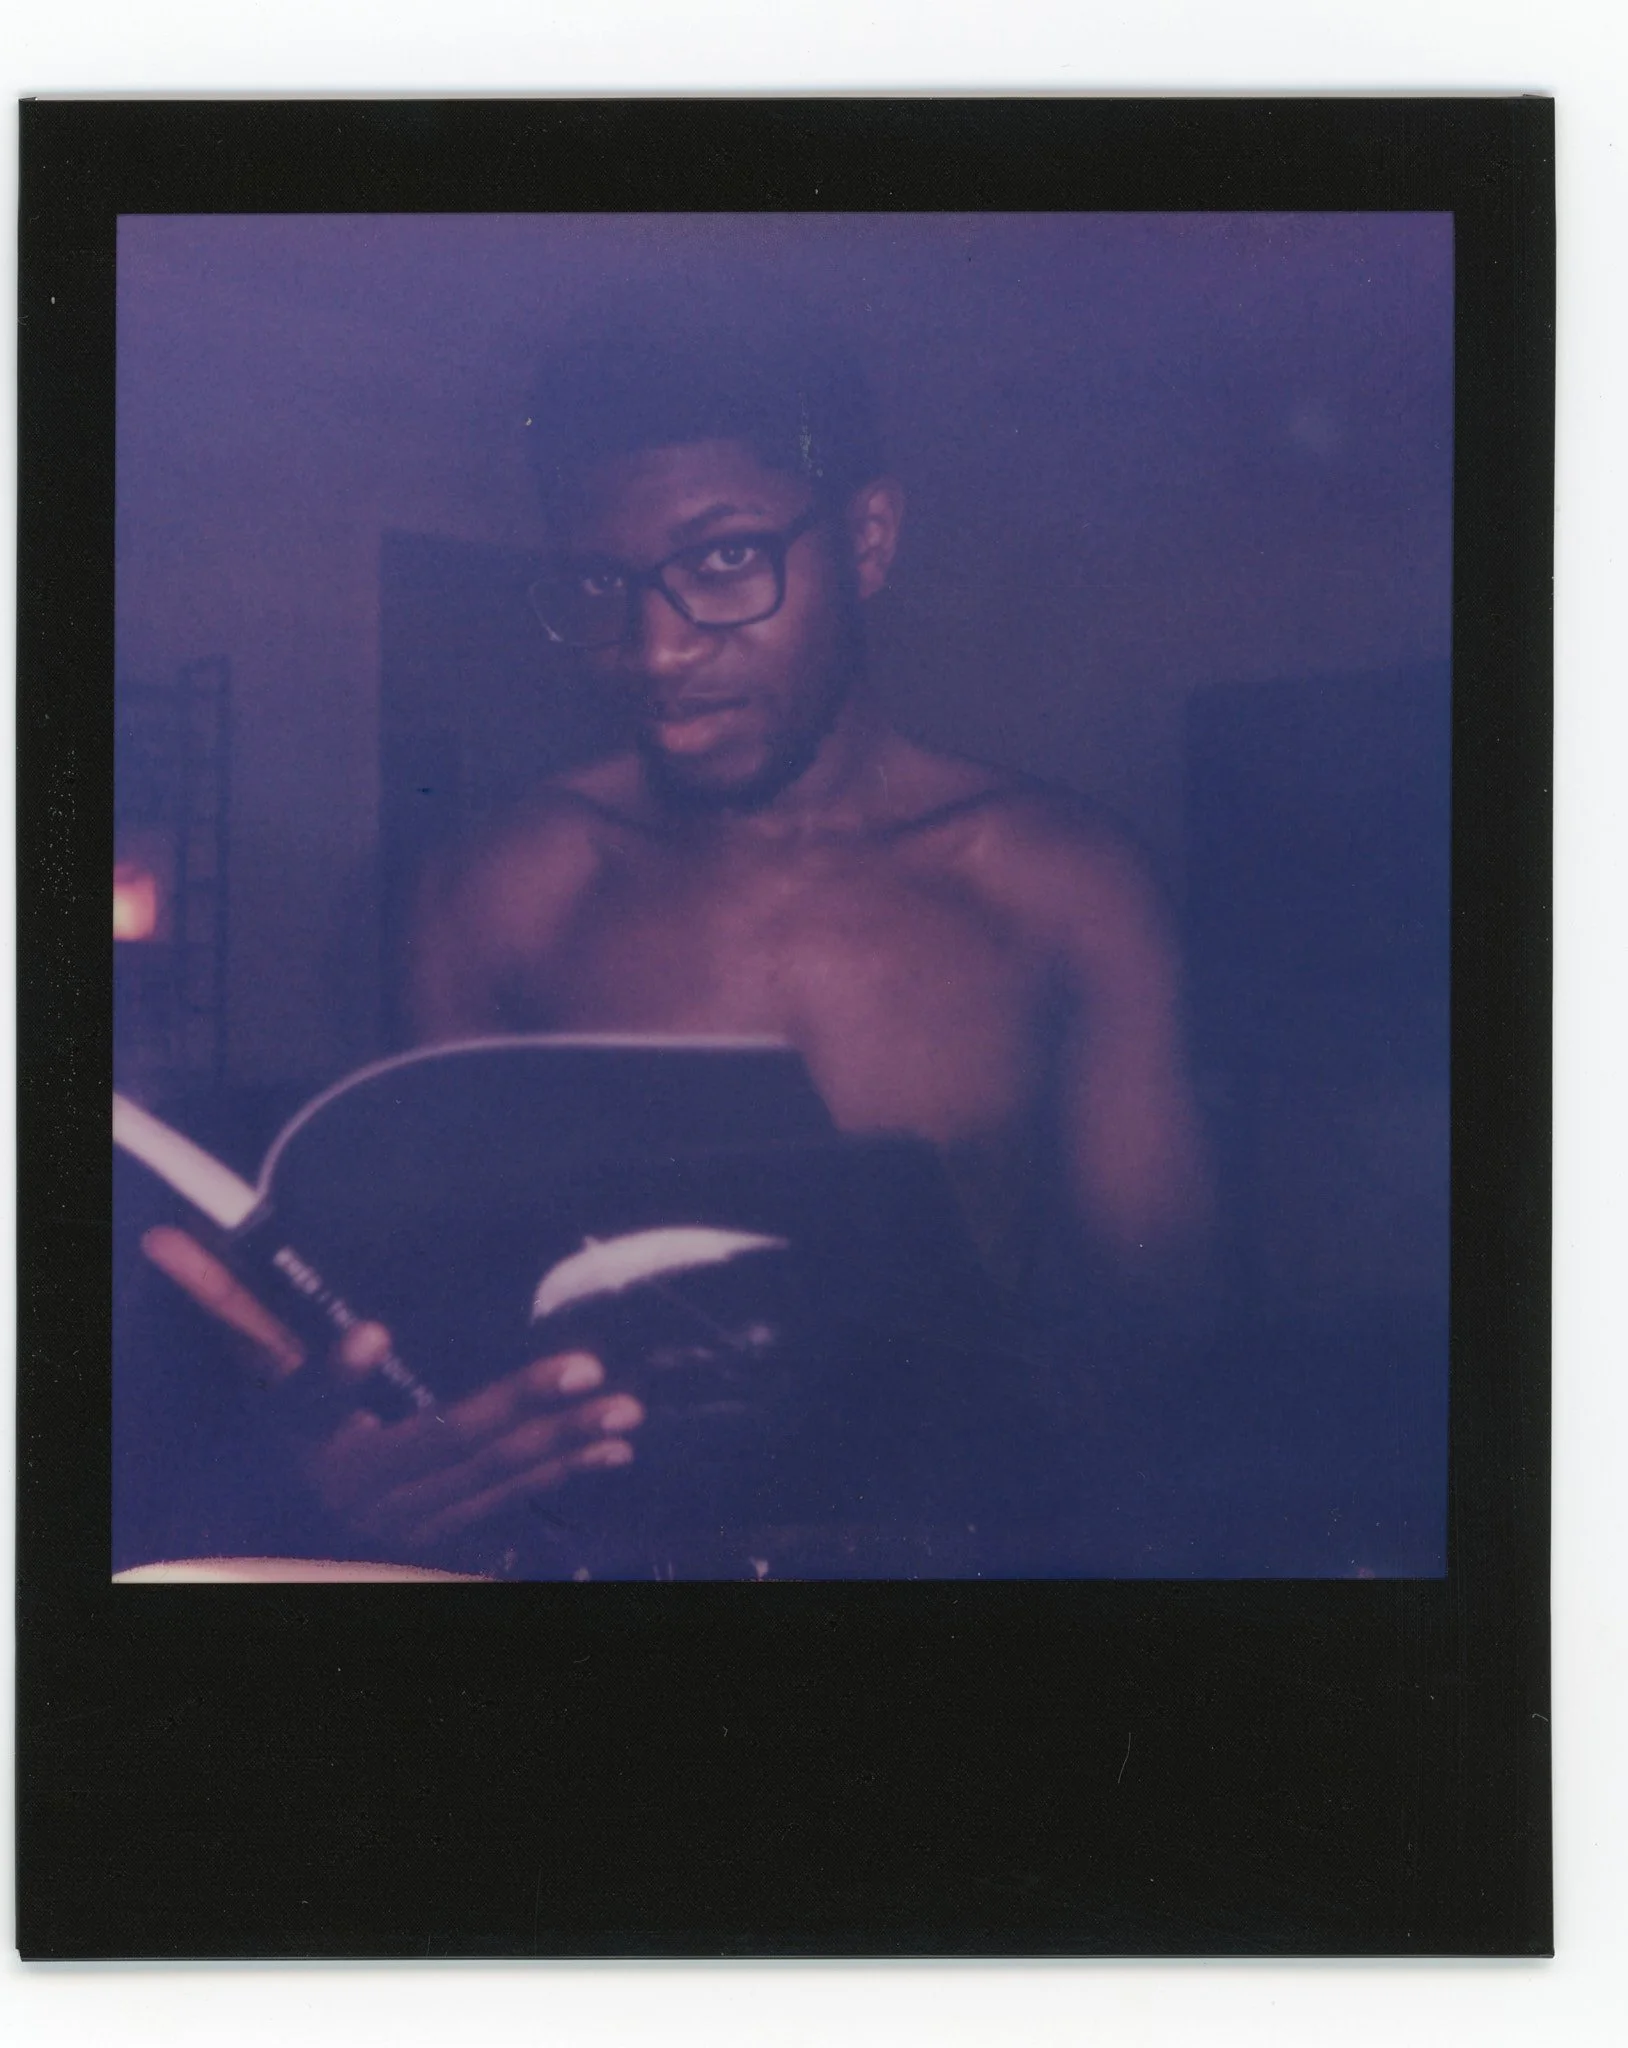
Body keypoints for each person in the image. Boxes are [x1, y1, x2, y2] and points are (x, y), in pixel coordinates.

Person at [142, 287, 1212, 1570]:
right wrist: (358, 1456)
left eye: (721, 560)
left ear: (867, 540)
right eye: (602, 583)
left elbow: (1165, 1340)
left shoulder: (1060, 881)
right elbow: (444, 1342)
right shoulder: (501, 892)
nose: (651, 650)